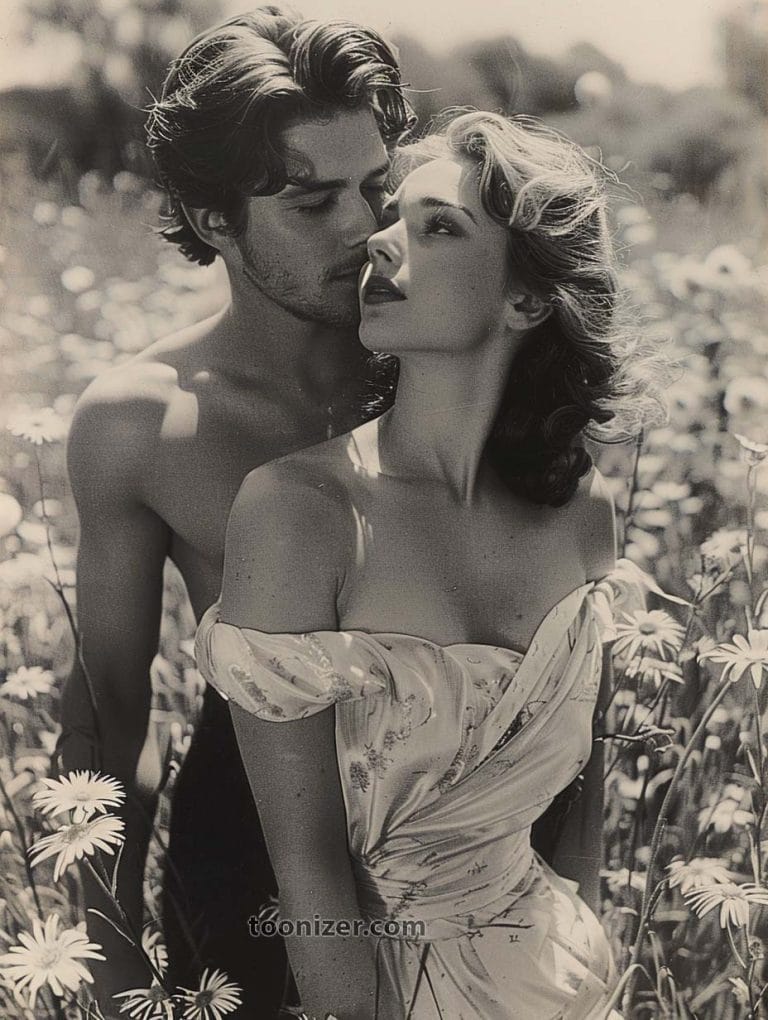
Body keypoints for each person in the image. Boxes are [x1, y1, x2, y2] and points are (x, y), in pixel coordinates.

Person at [195, 109, 664, 1019]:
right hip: (377, 989)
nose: (378, 244)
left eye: (437, 226)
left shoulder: (582, 513)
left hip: (562, 979)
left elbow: (582, 800)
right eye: (391, 217)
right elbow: (308, 867)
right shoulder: (298, 512)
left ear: (528, 300)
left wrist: (586, 964)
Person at [59, 7, 414, 1015]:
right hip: (248, 857)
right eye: (311, 203)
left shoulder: (444, 365)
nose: (364, 231)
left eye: (376, 187)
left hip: (462, 842)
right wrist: (108, 965)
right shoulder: (142, 421)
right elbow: (105, 715)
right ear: (213, 218)